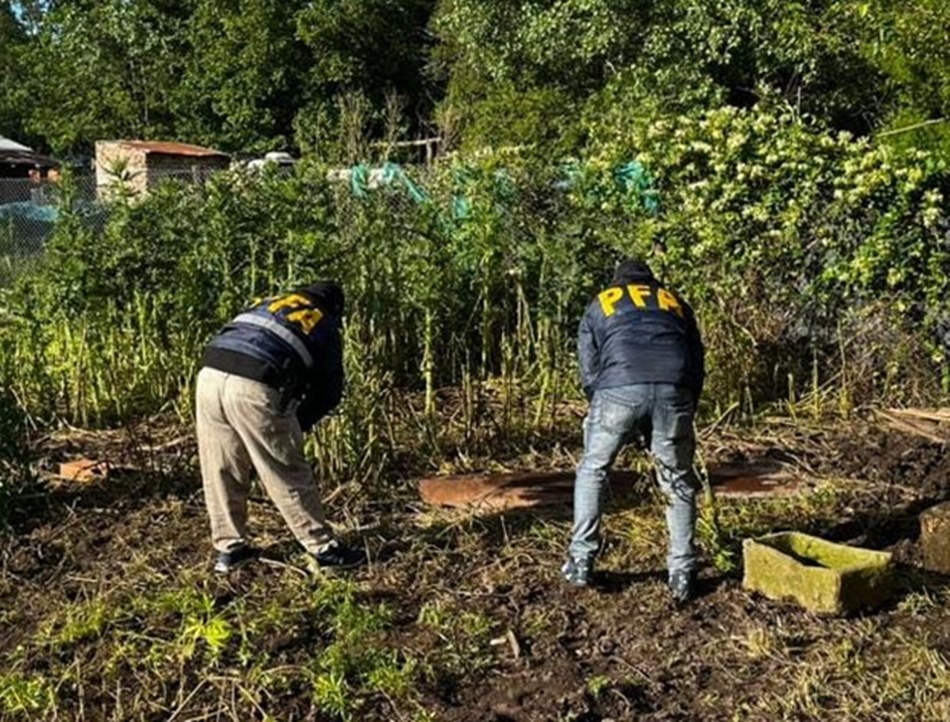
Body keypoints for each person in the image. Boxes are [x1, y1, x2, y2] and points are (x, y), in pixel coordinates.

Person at [195, 281, 365, 573]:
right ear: (335, 308)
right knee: (285, 467)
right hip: (256, 383)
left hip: (209, 375)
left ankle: (230, 549)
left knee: (221, 465)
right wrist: (295, 425)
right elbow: (329, 392)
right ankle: (323, 549)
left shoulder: (266, 302)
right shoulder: (319, 318)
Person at [562, 259, 705, 603]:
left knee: (594, 469)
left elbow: (588, 367)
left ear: (618, 281)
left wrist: (601, 404)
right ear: (650, 280)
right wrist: (684, 405)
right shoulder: (674, 301)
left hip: (618, 387)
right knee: (676, 478)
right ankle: (682, 570)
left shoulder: (602, 301)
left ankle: (581, 558)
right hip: (674, 387)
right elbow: (697, 360)